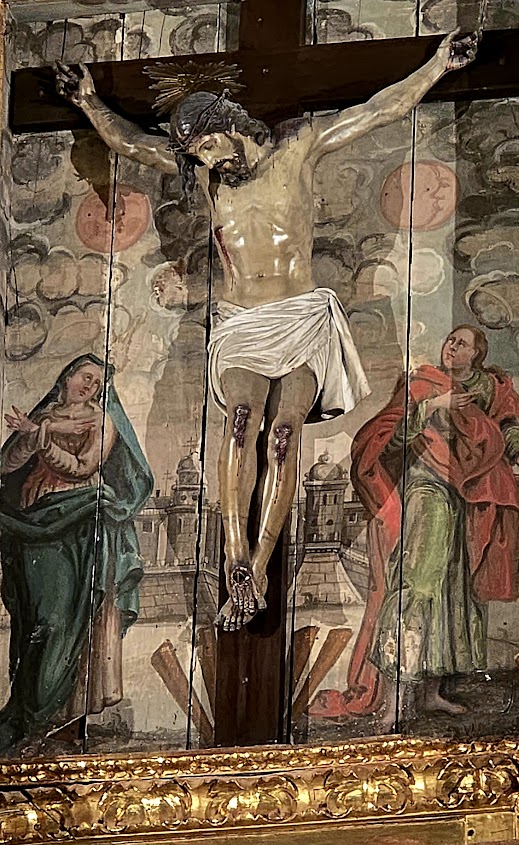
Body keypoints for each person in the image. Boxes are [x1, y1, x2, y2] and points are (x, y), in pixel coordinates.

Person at [55, 31, 477, 631]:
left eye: (208, 145)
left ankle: (259, 564)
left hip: (299, 317)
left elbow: (376, 110)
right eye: (197, 156)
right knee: (240, 420)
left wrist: (438, 65)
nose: (208, 162)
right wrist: (89, 102)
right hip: (242, 321)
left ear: (229, 123)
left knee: (282, 433)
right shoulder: (208, 178)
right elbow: (134, 143)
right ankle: (234, 556)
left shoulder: (297, 149)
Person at [339, 326, 519, 729]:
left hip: (471, 495)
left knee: (457, 593)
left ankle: (431, 693)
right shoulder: (423, 384)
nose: (451, 346)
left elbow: (508, 427)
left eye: (461, 343)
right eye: (450, 340)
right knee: (417, 585)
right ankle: (395, 700)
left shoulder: (491, 389)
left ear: (477, 354)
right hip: (428, 486)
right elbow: (389, 439)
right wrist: (434, 405)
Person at [0, 354, 153, 750]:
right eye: (86, 377)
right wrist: (36, 434)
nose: (90, 386)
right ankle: (30, 715)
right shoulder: (44, 416)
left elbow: (83, 468)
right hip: (36, 521)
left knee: (62, 621)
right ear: (67, 376)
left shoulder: (101, 421)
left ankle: (51, 716)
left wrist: (42, 438)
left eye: (97, 383)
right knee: (33, 622)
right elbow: (8, 465)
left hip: (79, 519)